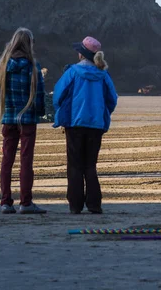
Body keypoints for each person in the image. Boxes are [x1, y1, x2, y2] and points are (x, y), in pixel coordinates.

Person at [53, 36, 118, 214]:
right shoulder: (103, 75)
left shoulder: (72, 72)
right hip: (95, 125)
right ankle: (94, 205)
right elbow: (112, 100)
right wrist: (102, 114)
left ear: (82, 54)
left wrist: (61, 115)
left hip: (74, 124)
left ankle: (75, 205)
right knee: (90, 165)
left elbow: (58, 96)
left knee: (74, 165)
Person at [0, 27, 47, 214]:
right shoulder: (33, 67)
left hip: (8, 117)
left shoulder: (2, 66)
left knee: (7, 160)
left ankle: (6, 202)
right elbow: (39, 94)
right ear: (29, 44)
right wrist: (40, 112)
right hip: (28, 119)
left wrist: (1, 110)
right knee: (26, 161)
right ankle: (26, 202)